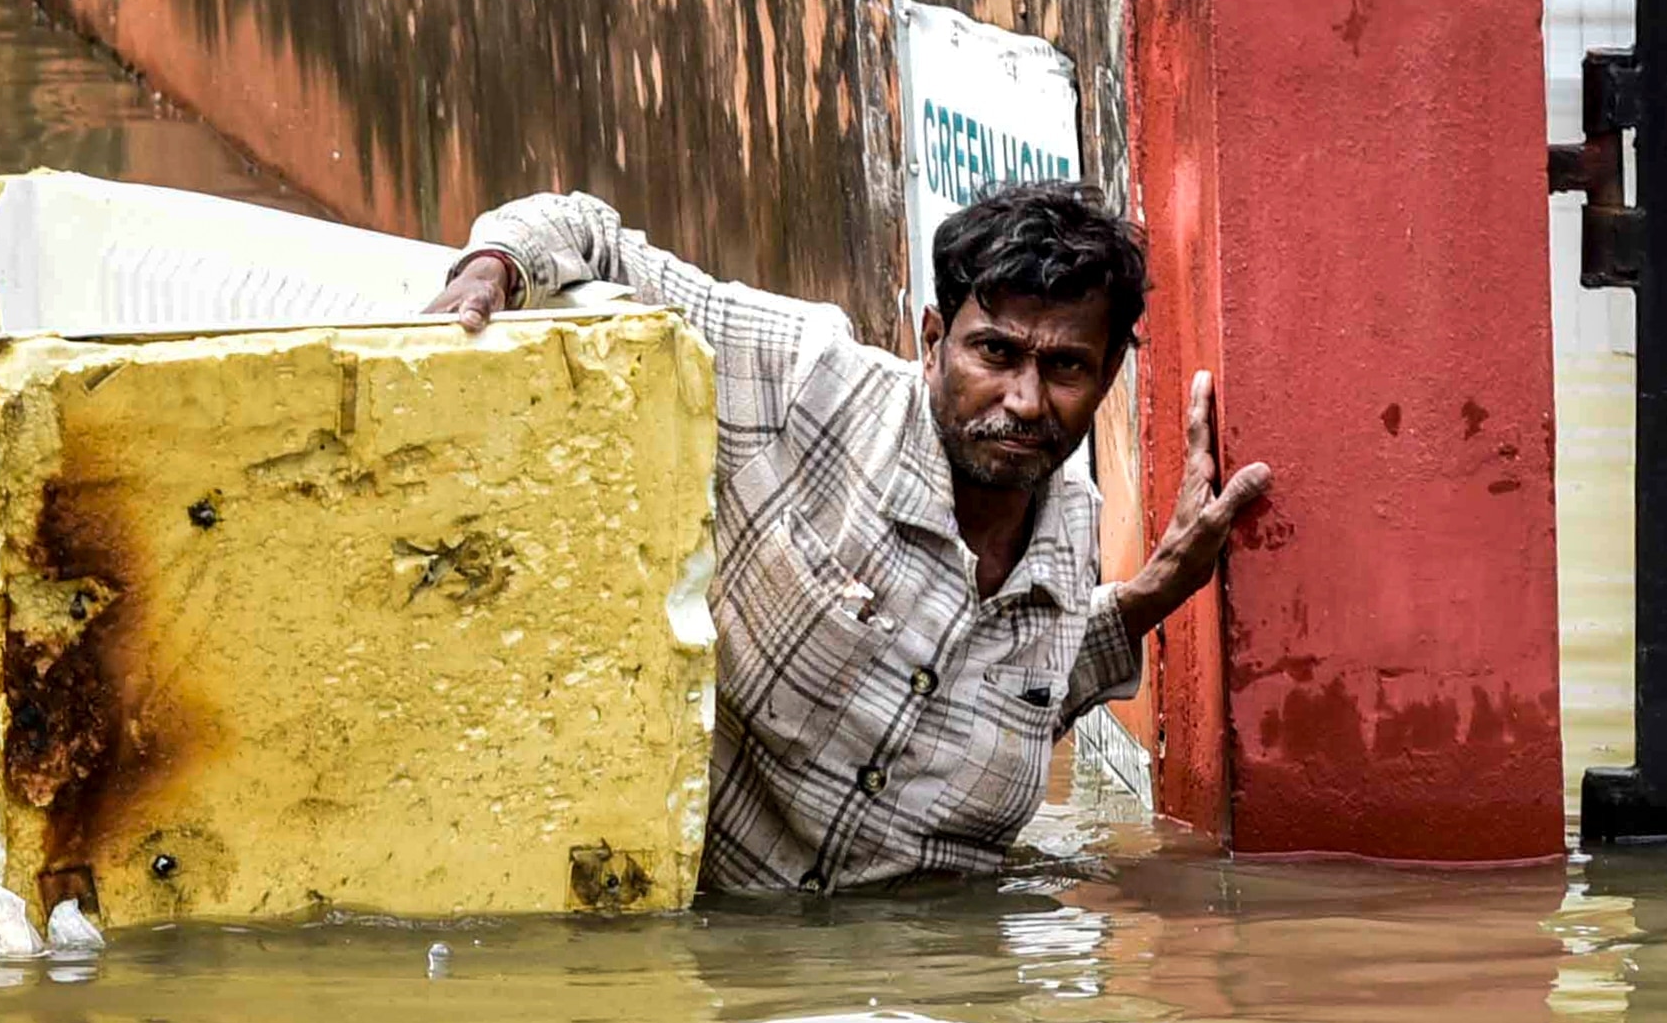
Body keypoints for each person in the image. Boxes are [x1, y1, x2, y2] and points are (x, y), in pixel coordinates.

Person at [426, 179, 1267, 895]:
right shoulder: (807, 383)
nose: (1024, 400)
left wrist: (1159, 589)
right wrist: (491, 271)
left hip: (923, 1007)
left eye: (1066, 367)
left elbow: (1012, 687)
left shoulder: (1068, 548)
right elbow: (583, 231)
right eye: (996, 353)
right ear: (933, 341)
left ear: (1107, 376)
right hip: (703, 932)